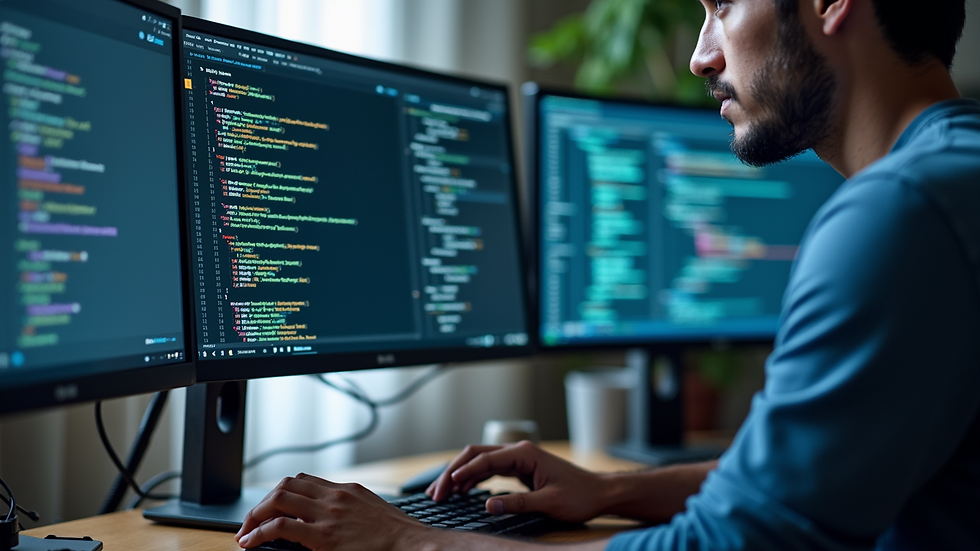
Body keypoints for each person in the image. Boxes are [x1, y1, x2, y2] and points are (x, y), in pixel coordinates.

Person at [235, 0, 980, 549]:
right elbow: (812, 475)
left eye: (721, 6)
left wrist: (406, 538)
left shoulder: (899, 213)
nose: (700, 55)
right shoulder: (952, 177)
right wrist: (617, 487)